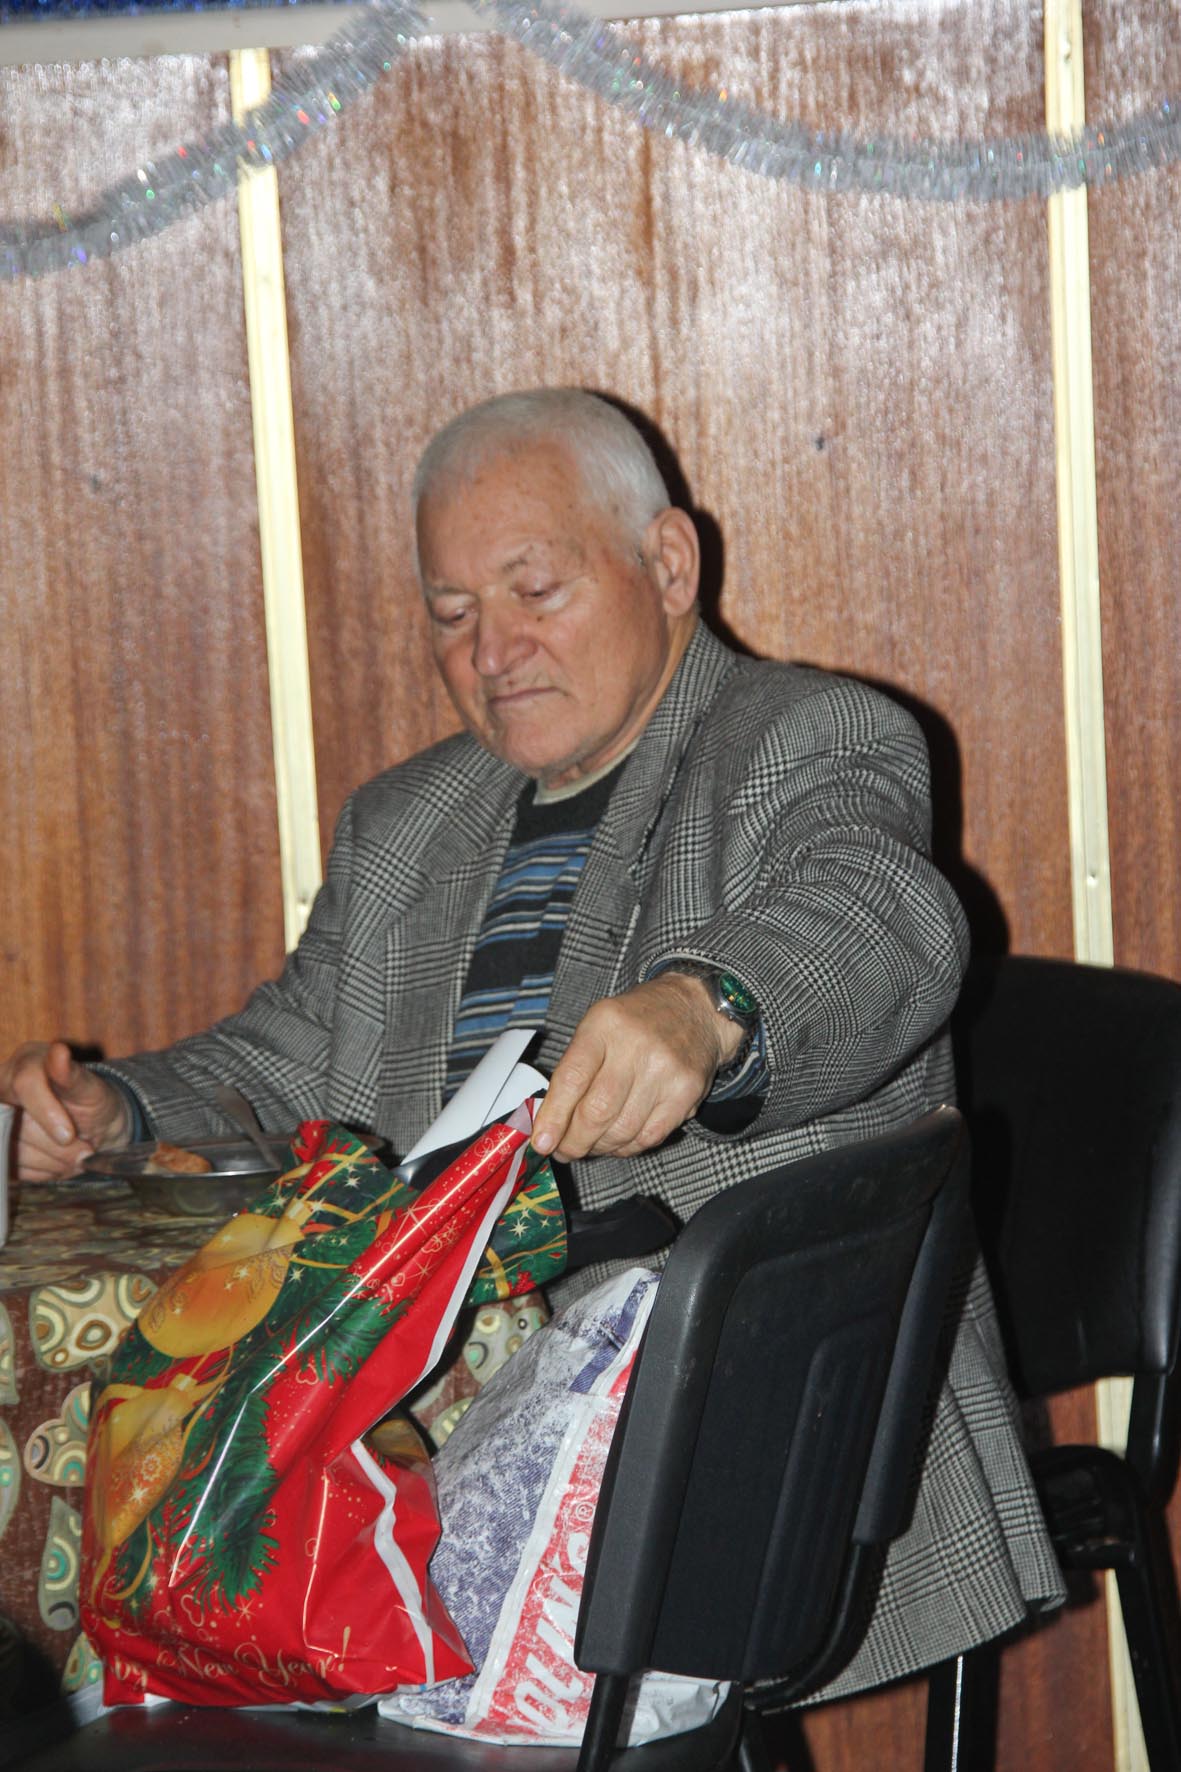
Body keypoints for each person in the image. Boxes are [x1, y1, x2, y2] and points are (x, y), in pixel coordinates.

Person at [0, 388, 1062, 1695]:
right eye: (452, 614)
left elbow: (882, 913)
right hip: (420, 1399)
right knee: (153, 1490)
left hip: (722, 1409)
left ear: (667, 564)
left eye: (535, 591)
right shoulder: (406, 823)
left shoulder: (805, 736)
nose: (493, 650)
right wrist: (116, 1111)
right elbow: (288, 1056)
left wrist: (709, 1006)